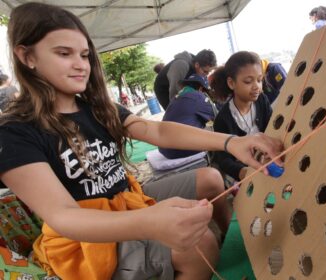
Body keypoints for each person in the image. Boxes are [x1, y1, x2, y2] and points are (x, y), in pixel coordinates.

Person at [0, 3, 283, 280]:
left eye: (84, 55)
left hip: (127, 200)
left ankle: (230, 241)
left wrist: (231, 142)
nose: (80, 65)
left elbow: (157, 132)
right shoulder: (15, 132)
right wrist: (149, 224)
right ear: (27, 57)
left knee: (211, 178)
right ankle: (198, 260)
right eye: (64, 53)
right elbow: (64, 216)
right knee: (199, 247)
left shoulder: (98, 108)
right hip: (87, 239)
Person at [211, 51, 278, 182]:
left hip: (269, 162)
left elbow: (273, 128)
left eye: (259, 80)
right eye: (248, 81)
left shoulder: (262, 100)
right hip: (247, 174)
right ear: (231, 83)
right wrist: (242, 172)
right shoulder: (223, 119)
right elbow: (224, 159)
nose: (256, 87)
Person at [159, 74, 217, 159]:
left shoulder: (177, 97)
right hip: (180, 149)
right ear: (201, 88)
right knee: (213, 128)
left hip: (164, 148)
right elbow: (216, 117)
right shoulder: (198, 96)